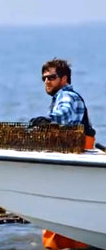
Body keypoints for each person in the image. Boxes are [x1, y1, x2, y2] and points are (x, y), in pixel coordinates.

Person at [30, 58, 96, 250]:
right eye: (43, 78)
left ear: (64, 78)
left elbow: (64, 114)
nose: (47, 81)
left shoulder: (67, 96)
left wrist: (48, 119)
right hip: (71, 161)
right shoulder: (59, 97)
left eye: (52, 77)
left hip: (75, 160)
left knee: (58, 207)